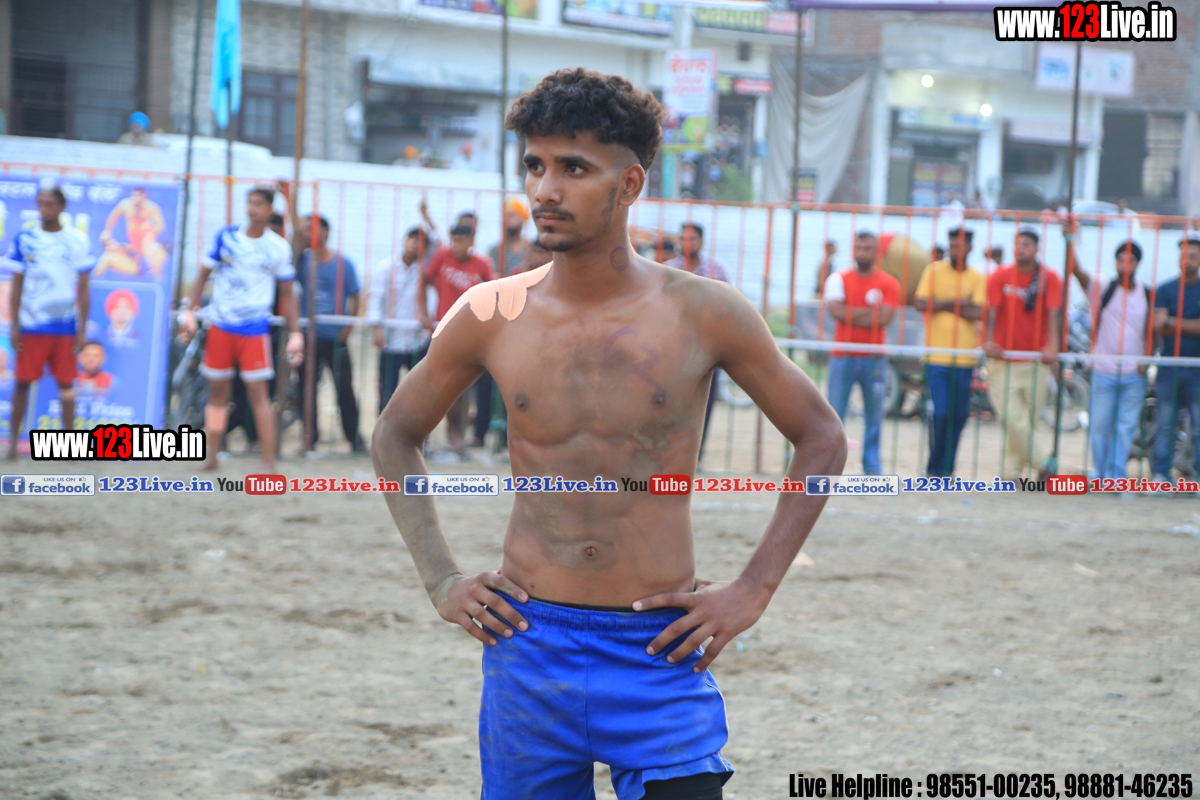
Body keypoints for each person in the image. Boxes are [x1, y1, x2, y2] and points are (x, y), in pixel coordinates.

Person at [371, 67, 846, 800]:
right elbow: (395, 434)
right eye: (534, 165)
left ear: (629, 185)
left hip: (658, 648)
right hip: (527, 649)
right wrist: (441, 579)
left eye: (573, 168)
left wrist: (753, 589)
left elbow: (820, 436)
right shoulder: (490, 314)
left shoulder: (705, 311)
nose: (544, 190)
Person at [178, 187, 304, 471]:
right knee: (217, 393)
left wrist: (296, 333)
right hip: (221, 325)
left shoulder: (277, 247)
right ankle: (212, 455)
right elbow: (203, 274)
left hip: (254, 329)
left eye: (258, 203)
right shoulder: (226, 237)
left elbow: (288, 294)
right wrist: (189, 310)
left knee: (258, 394)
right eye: (250, 203)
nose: (252, 208)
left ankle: (268, 462)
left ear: (270, 210)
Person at [3, 187, 93, 457]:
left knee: (66, 383)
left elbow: (84, 288)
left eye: (50, 204)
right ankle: (12, 445)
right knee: (22, 382)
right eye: (41, 203)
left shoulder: (77, 241)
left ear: (62, 207)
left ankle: (71, 447)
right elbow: (17, 285)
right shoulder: (25, 239)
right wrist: (15, 326)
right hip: (31, 325)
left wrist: (81, 329)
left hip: (65, 327)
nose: (45, 209)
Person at [1065, 237, 1150, 484]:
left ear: (1137, 264)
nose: (1125, 265)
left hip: (1134, 372)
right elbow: (1077, 271)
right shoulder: (1103, 287)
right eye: (1120, 260)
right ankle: (1101, 473)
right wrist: (1070, 239)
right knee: (1099, 426)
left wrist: (1146, 358)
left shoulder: (1146, 293)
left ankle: (1115, 475)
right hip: (1103, 369)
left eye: (1130, 260)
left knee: (1126, 428)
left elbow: (1151, 330)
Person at [982, 229, 1061, 482]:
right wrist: (988, 341)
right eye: (1017, 244)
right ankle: (1043, 462)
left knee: (1025, 421)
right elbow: (991, 312)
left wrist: (1053, 346)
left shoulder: (1050, 278)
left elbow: (1055, 314)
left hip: (1036, 360)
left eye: (1026, 244)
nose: (1021, 249)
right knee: (1010, 417)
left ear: (1036, 248)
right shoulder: (999, 276)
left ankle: (1010, 473)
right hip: (1003, 360)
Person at [823, 230, 901, 475]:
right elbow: (835, 312)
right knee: (833, 414)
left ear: (876, 252)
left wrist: (849, 313)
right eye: (858, 248)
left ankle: (871, 465)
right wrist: (870, 313)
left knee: (874, 414)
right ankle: (829, 464)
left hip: (874, 356)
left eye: (867, 249)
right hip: (842, 354)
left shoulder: (889, 283)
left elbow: (885, 318)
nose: (862, 253)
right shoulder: (838, 278)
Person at [914, 228, 985, 477]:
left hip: (965, 358)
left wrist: (939, 304)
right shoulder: (933, 270)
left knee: (959, 415)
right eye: (952, 245)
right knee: (941, 413)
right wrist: (958, 302)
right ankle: (934, 468)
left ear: (970, 248)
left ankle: (947, 469)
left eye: (960, 245)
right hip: (936, 356)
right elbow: (920, 303)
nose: (956, 250)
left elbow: (979, 312)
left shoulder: (978, 277)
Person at [421, 223, 495, 455]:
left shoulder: (482, 264)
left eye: (462, 241)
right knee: (439, 386)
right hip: (442, 330)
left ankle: (458, 436)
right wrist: (423, 313)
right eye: (454, 240)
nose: (457, 246)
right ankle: (436, 436)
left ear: (471, 241)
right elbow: (425, 280)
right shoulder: (442, 256)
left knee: (463, 388)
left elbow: (494, 292)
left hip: (470, 334)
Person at [296, 214, 365, 452]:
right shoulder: (301, 262)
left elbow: (356, 296)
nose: (307, 234)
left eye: (311, 229)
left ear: (325, 231)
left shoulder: (344, 264)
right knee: (305, 391)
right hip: (308, 338)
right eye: (304, 230)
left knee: (345, 390)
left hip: (336, 339)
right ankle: (309, 439)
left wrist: (348, 328)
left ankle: (354, 439)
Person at [665, 221, 730, 465]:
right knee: (671, 403)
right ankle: (670, 456)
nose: (686, 243)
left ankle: (696, 457)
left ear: (701, 242)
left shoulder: (716, 270)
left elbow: (726, 306)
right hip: (674, 349)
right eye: (682, 238)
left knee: (704, 405)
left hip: (707, 348)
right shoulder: (667, 269)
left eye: (692, 238)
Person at [1150, 236, 1200, 484]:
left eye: (1192, 256)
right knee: (1165, 425)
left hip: (1197, 366)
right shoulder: (1165, 289)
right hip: (1169, 366)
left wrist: (1171, 322)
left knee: (1199, 426)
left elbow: (1164, 323)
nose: (1186, 261)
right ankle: (1161, 475)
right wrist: (1190, 325)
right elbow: (1157, 325)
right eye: (1183, 255)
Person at [371, 226, 433, 414]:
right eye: (412, 238)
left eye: (421, 241)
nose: (415, 244)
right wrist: (376, 329)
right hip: (391, 341)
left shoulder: (426, 271)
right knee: (387, 394)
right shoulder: (385, 267)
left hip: (418, 341)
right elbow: (375, 298)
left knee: (420, 394)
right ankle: (384, 431)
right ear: (405, 240)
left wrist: (428, 320)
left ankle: (418, 433)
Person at [100, 187, 167, 277]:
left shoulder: (151, 207)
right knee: (109, 255)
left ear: (144, 196)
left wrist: (151, 234)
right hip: (132, 238)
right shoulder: (125, 205)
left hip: (146, 236)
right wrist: (107, 231)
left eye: (139, 196)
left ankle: (157, 278)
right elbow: (113, 217)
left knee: (150, 252)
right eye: (134, 195)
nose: (136, 198)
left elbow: (160, 225)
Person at [488, 197, 532, 278]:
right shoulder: (495, 251)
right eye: (505, 216)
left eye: (512, 215)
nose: (508, 220)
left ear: (522, 219)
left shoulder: (531, 250)